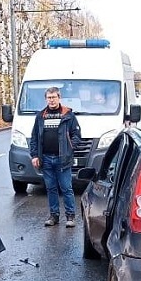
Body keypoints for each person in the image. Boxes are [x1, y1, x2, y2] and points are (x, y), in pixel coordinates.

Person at [29, 86, 82, 227]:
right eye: (49, 98)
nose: (51, 100)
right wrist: (34, 155)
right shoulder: (40, 116)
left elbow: (76, 135)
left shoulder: (68, 114)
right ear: (46, 99)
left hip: (62, 159)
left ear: (59, 98)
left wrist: (70, 148)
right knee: (51, 188)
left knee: (66, 188)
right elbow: (34, 137)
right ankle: (54, 216)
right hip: (46, 158)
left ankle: (70, 216)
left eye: (54, 97)